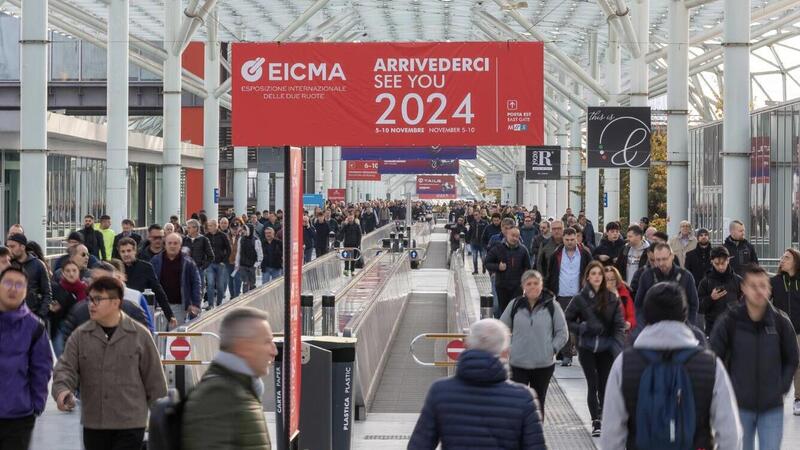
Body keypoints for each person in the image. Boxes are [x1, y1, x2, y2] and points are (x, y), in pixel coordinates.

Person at [599, 282, 743, 450]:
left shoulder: (624, 364)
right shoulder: (709, 364)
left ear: (646, 315)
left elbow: (611, 434)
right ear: (684, 315)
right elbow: (730, 433)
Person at [52, 276, 168, 450]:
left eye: (98, 299)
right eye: (90, 299)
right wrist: (62, 391)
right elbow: (65, 368)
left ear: (116, 302)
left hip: (130, 423)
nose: (91, 304)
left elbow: (155, 379)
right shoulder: (80, 336)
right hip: (94, 423)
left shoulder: (139, 335)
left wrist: (161, 419)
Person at [408, 319, 546, 449]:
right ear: (505, 353)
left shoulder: (440, 392)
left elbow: (419, 445)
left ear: (466, 346)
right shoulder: (524, 398)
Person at [710, 265, 799, 450]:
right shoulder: (730, 321)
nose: (759, 290)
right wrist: (727, 388)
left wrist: (781, 386)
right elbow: (714, 356)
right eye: (753, 285)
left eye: (763, 285)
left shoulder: (781, 322)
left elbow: (792, 357)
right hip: (738, 406)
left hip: (772, 407)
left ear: (769, 288)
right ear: (743, 288)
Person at [181, 307, 277, 450]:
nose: (274, 350)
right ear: (244, 347)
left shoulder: (239, 391)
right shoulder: (217, 396)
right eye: (267, 342)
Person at [564, 260, 626, 437]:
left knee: (605, 385)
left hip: (606, 347)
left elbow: (619, 325)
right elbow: (567, 319)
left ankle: (605, 416)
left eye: (599, 274)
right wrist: (582, 328)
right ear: (587, 277)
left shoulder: (612, 298)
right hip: (587, 347)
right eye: (593, 274)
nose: (597, 277)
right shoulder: (579, 298)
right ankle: (595, 420)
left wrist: (617, 344)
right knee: (592, 383)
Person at [500, 270, 568, 417]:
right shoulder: (515, 305)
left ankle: (535, 436)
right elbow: (501, 328)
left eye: (536, 283)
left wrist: (551, 349)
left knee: (538, 403)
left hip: (543, 364)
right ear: (523, 286)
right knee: (518, 403)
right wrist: (510, 348)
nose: (532, 287)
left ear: (541, 285)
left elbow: (562, 333)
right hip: (518, 364)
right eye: (529, 283)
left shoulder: (552, 306)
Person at [0, 267, 53, 449]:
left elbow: (42, 370)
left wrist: (35, 406)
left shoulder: (34, 328)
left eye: (19, 285)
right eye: (7, 283)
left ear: (26, 291)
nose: (12, 289)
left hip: (18, 417)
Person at [545, 227, 591, 367]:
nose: (570, 242)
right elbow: (551, 274)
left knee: (582, 326)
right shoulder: (556, 254)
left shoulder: (584, 254)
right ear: (563, 239)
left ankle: (582, 352)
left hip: (580, 295)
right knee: (564, 326)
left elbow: (592, 270)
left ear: (577, 238)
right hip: (563, 295)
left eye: (572, 239)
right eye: (567, 240)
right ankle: (566, 355)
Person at [634, 243, 699, 333]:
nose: (661, 263)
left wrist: (689, 327)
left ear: (672, 256)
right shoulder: (647, 276)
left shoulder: (686, 276)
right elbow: (638, 305)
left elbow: (693, 304)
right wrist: (643, 326)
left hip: (680, 331)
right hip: (653, 330)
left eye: (664, 259)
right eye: (657, 260)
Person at [117, 238, 176, 329]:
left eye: (129, 251)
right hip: (120, 315)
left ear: (135, 251)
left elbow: (158, 291)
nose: (126, 254)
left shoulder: (146, 267)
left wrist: (169, 315)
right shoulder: (116, 269)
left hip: (141, 314)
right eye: (123, 251)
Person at [771, 247, 800, 416]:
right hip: (778, 331)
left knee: (798, 365)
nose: (782, 260)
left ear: (796, 261)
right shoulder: (774, 282)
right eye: (782, 257)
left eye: (787, 258)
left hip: (798, 330)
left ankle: (798, 399)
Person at [151, 233, 201, 324]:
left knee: (174, 336)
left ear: (180, 245)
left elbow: (196, 283)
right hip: (159, 307)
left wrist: (195, 304)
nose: (172, 246)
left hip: (179, 306)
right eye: (169, 243)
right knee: (159, 336)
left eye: (175, 243)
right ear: (165, 245)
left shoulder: (188, 262)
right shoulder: (155, 261)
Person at [485, 227, 531, 314]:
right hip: (502, 286)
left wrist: (525, 282)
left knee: (516, 310)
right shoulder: (498, 248)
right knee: (504, 310)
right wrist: (498, 267)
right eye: (513, 235)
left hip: (517, 287)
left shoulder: (523, 250)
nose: (515, 238)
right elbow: (487, 263)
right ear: (506, 235)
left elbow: (528, 267)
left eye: (517, 236)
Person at [698, 246, 742, 335]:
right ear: (712, 262)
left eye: (723, 263)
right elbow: (699, 307)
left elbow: (746, 303)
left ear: (728, 260)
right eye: (716, 264)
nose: (720, 267)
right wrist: (711, 298)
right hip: (713, 327)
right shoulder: (705, 282)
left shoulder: (738, 280)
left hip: (734, 326)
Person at [6, 234, 51, 320]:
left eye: (12, 246)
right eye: (8, 247)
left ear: (22, 247)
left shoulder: (38, 265)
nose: (9, 250)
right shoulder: (8, 264)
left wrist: (40, 316)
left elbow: (47, 294)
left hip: (32, 315)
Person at [49, 260, 88, 356]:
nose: (71, 274)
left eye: (74, 270)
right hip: (61, 328)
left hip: (81, 327)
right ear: (63, 273)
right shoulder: (56, 289)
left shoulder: (86, 289)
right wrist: (54, 310)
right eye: (68, 271)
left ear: (78, 272)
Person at [603, 265, 636, 338]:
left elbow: (631, 315)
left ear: (617, 280)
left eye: (613, 279)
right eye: (607, 280)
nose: (610, 282)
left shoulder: (624, 293)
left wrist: (629, 323)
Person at [205, 219, 231, 308]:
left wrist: (224, 261)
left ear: (216, 226)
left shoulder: (223, 236)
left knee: (220, 285)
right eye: (208, 226)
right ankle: (210, 304)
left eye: (211, 226)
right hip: (210, 264)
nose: (209, 227)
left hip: (221, 264)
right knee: (210, 284)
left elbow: (228, 249)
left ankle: (219, 303)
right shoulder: (206, 236)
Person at [235, 224, 263, 294]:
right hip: (242, 265)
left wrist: (256, 265)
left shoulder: (256, 241)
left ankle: (253, 297)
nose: (243, 231)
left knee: (252, 284)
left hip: (252, 266)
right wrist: (237, 263)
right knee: (245, 283)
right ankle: (244, 299)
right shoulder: (241, 239)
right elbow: (238, 252)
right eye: (243, 229)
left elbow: (260, 254)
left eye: (245, 229)